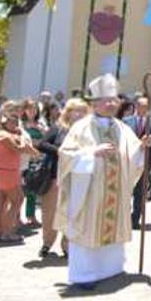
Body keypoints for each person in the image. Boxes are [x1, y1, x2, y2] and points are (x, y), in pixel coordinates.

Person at [57, 74, 151, 289]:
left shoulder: (122, 128)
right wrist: (92, 153)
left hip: (114, 194)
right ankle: (84, 275)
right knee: (87, 230)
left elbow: (133, 155)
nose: (111, 104)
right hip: (89, 194)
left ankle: (110, 269)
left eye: (114, 100)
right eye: (106, 100)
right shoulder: (81, 127)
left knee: (112, 227)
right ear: (95, 103)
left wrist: (142, 147)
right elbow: (66, 155)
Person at [36, 98, 90, 258]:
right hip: (55, 177)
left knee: (71, 213)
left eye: (82, 111)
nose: (79, 114)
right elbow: (42, 144)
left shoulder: (88, 133)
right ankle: (47, 243)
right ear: (68, 112)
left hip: (77, 178)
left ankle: (67, 245)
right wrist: (61, 152)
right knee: (50, 213)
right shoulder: (59, 128)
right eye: (75, 110)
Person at [0, 102, 39, 243]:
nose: (16, 122)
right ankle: (7, 232)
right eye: (13, 119)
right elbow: (20, 148)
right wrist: (22, 138)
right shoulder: (6, 136)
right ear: (6, 121)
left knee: (0, 202)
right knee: (17, 200)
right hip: (8, 172)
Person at [124, 96, 151, 229]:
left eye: (146, 107)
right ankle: (124, 219)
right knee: (126, 191)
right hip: (129, 161)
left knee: (140, 192)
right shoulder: (126, 121)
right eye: (141, 106)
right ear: (136, 106)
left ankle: (135, 219)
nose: (144, 109)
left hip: (145, 162)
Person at [22, 98, 48, 227]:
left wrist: (41, 130)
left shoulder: (41, 123)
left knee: (32, 189)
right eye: (29, 108)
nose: (32, 111)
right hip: (23, 159)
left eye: (34, 109)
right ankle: (15, 217)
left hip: (37, 159)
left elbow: (48, 137)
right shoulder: (20, 123)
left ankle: (31, 216)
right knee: (20, 189)